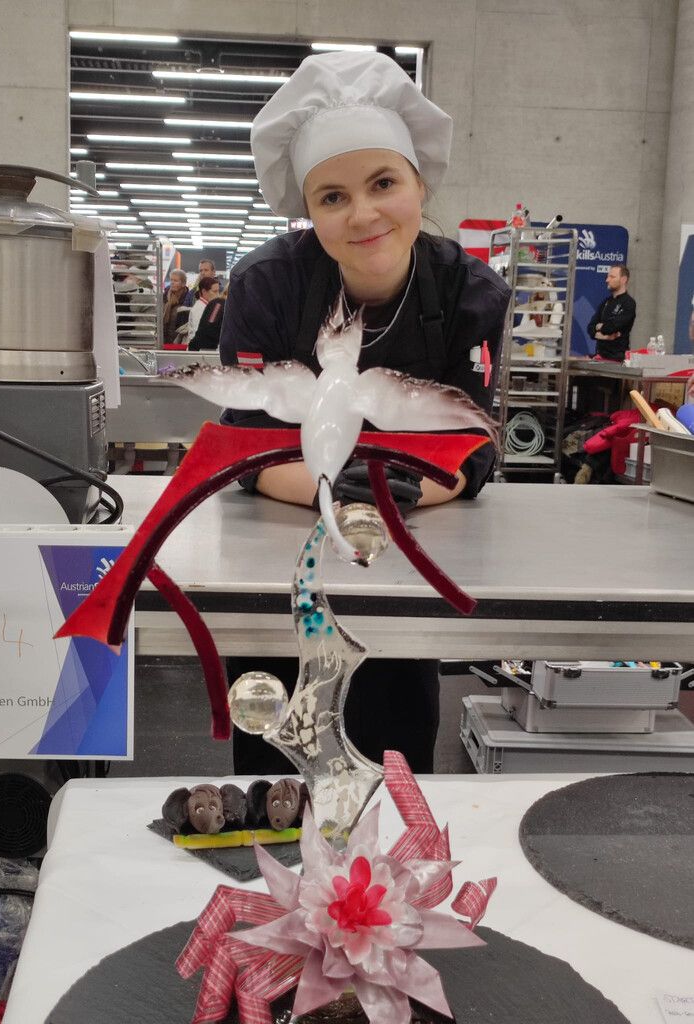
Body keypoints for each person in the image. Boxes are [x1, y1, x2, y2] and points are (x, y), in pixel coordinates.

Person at [218, 51, 511, 776]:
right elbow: (243, 442)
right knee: (275, 773)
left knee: (394, 760)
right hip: (276, 565)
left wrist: (396, 491)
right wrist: (337, 489)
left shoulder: (467, 291)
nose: (364, 214)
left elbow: (473, 441)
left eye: (384, 183)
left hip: (405, 563)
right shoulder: (266, 286)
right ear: (308, 209)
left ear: (419, 182)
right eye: (332, 197)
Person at [587, 265, 636, 361]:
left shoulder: (628, 303)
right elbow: (590, 328)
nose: (607, 280)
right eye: (608, 276)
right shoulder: (606, 302)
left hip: (617, 359)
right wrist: (605, 336)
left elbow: (611, 327)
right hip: (599, 356)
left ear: (623, 279)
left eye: (612, 277)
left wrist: (601, 327)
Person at [189, 286, 227, 351]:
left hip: (206, 348)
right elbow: (210, 324)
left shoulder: (219, 303)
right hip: (204, 350)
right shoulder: (218, 304)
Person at [162, 269, 190, 345]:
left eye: (176, 280)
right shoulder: (164, 296)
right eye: (171, 280)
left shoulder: (187, 299)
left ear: (183, 283)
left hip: (178, 341)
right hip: (162, 339)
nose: (172, 282)